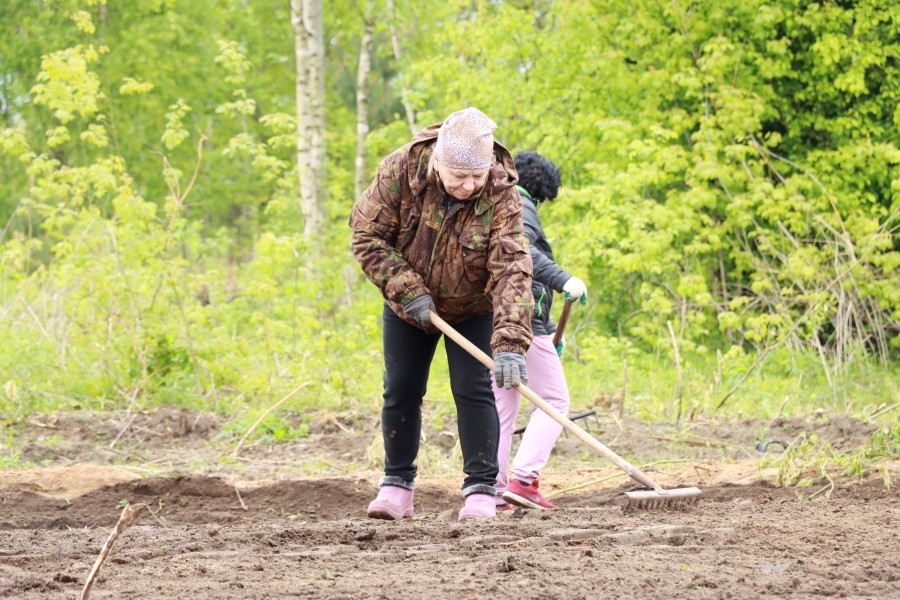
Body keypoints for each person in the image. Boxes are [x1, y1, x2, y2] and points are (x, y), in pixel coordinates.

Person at [349, 107, 534, 521]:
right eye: (459, 176)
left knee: (474, 390)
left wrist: (510, 341)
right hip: (410, 306)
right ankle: (397, 486)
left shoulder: (501, 191)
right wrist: (406, 289)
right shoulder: (400, 171)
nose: (469, 186)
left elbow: (512, 267)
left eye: (477, 176)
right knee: (401, 387)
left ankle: (481, 491)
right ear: (438, 161)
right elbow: (367, 236)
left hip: (473, 307)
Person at [493, 150, 587, 511]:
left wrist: (549, 330)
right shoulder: (522, 206)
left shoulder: (496, 203)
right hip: (521, 321)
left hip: (495, 319)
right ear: (543, 193)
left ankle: (492, 489)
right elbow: (523, 253)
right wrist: (565, 279)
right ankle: (524, 480)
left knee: (502, 407)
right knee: (554, 400)